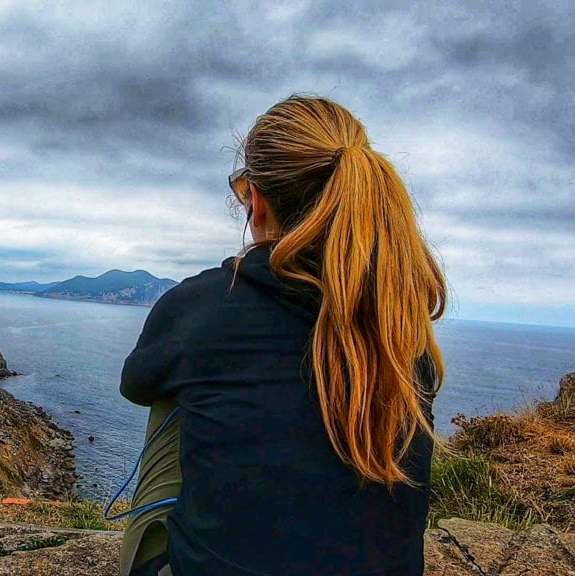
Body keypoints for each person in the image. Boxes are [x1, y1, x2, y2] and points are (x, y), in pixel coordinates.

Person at [118, 95, 447, 576]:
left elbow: (136, 385)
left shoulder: (200, 306)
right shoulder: (402, 329)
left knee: (174, 396)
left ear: (258, 202)